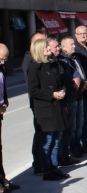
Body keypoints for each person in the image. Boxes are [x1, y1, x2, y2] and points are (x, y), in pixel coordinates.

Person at [27, 39, 71, 181]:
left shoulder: (52, 63)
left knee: (57, 140)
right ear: (39, 49)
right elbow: (33, 90)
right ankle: (47, 170)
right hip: (45, 109)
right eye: (45, 47)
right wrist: (52, 95)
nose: (48, 48)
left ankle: (54, 167)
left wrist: (62, 91)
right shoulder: (34, 67)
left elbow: (61, 80)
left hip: (57, 106)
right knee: (47, 141)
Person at [56, 37, 85, 166]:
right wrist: (74, 80)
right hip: (69, 97)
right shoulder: (61, 60)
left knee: (79, 124)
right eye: (71, 44)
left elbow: (77, 72)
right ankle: (68, 152)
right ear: (64, 47)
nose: (74, 46)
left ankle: (77, 146)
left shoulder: (73, 58)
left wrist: (80, 79)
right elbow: (65, 77)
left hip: (78, 95)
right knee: (70, 128)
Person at [22, 31, 46, 175]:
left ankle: (44, 161)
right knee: (40, 131)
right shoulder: (29, 60)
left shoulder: (40, 58)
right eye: (41, 42)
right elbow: (33, 85)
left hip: (46, 100)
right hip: (38, 101)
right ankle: (37, 162)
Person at [0, 43, 20, 192]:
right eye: (1, 59)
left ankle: (2, 179)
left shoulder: (1, 68)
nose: (3, 62)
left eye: (5, 60)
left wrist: (4, 103)